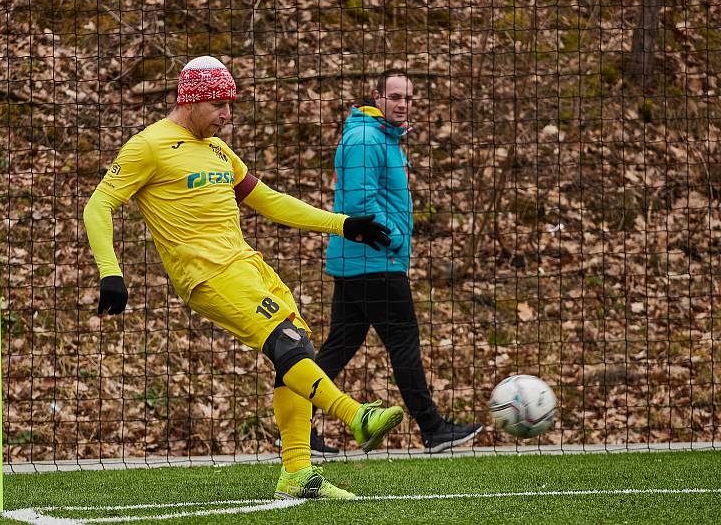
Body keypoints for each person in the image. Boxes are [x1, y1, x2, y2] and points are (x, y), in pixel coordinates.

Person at [83, 56, 405, 500]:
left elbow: (269, 200)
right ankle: (355, 416)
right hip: (206, 274)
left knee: (297, 346)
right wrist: (110, 272)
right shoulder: (149, 146)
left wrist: (344, 224)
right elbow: (98, 205)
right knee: (287, 343)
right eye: (219, 104)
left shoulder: (218, 151)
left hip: (247, 265)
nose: (227, 115)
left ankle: (297, 472)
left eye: (230, 105)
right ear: (191, 100)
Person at [313, 69, 482, 454]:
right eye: (394, 96)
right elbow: (359, 204)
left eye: (408, 98)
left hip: (363, 262)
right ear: (377, 97)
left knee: (337, 348)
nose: (402, 104)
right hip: (375, 260)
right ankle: (433, 428)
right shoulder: (364, 137)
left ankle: (294, 424)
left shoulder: (383, 139)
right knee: (404, 342)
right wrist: (397, 239)